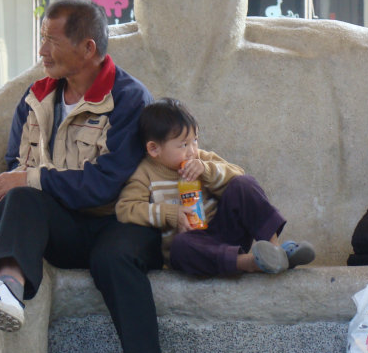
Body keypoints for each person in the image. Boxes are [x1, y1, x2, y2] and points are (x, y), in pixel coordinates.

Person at [0, 0, 171, 353]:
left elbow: (105, 183)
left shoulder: (129, 99)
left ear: (87, 48)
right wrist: (22, 184)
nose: (41, 51)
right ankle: (7, 289)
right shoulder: (36, 98)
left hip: (122, 221)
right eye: (41, 39)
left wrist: (32, 180)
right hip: (67, 225)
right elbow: (15, 165)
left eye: (50, 41)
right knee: (20, 196)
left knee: (111, 257)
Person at [115, 97, 315, 277]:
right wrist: (170, 214)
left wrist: (207, 171)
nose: (192, 150)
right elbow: (126, 209)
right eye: (183, 145)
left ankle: (275, 250)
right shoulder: (145, 173)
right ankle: (250, 263)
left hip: (225, 233)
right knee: (181, 247)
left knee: (243, 184)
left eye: (195, 140)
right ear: (154, 148)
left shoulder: (201, 159)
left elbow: (239, 175)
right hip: (195, 245)